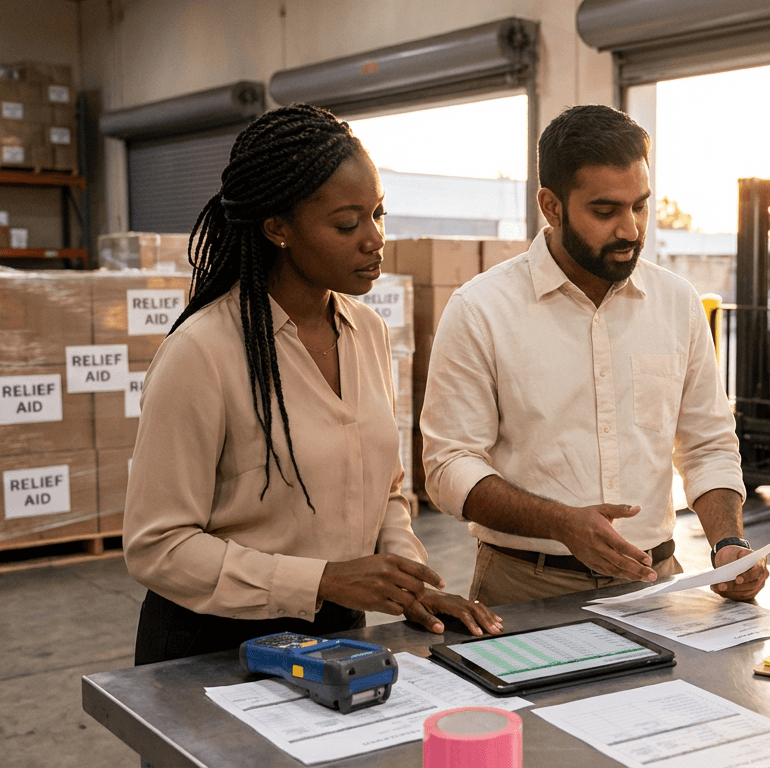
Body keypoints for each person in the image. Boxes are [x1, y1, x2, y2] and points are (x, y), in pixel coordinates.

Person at [124, 104, 501, 666]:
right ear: (278, 227)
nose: (374, 240)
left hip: (341, 638)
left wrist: (408, 582)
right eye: (348, 224)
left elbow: (386, 491)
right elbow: (159, 547)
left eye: (378, 214)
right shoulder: (202, 353)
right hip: (215, 648)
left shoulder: (367, 333)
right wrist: (320, 580)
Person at [419, 104, 769, 607]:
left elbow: (707, 444)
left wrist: (728, 542)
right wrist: (562, 524)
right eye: (605, 212)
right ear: (552, 205)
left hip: (656, 582)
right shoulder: (481, 309)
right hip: (525, 586)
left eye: (640, 206)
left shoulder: (677, 303)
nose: (629, 229)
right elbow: (449, 467)